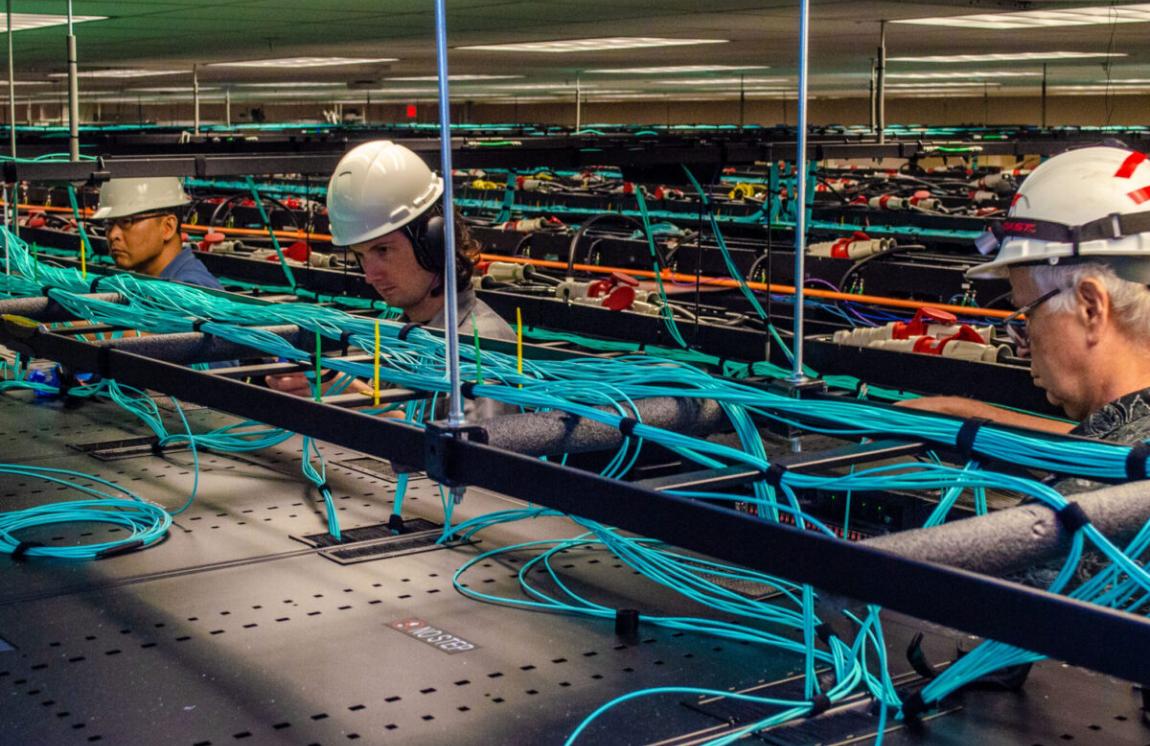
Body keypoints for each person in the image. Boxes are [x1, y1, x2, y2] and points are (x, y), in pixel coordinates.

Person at [901, 145, 1150, 446]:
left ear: (1091, 308)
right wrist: (965, 412)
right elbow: (1109, 444)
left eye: (1028, 314)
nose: (1022, 348)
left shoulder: (1082, 493)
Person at [266, 140, 515, 402]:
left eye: (383, 250)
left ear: (435, 241)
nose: (370, 275)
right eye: (361, 255)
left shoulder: (485, 345)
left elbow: (476, 441)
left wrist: (357, 399)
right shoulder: (396, 336)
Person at [93, 177, 223, 290]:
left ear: (167, 227)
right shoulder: (154, 286)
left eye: (127, 221)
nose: (112, 235)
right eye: (109, 223)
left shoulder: (190, 293)